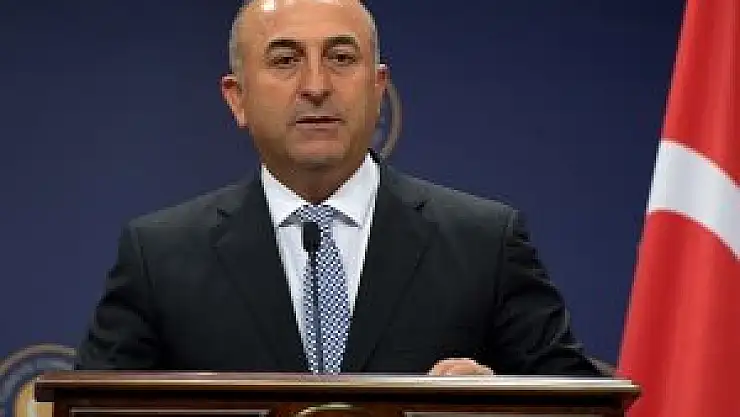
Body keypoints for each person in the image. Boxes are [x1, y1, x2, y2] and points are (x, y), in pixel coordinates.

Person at [74, 0, 604, 377]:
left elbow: (578, 403)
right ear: (237, 99)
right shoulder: (159, 255)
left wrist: (497, 404)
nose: (316, 86)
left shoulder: (485, 243)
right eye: (285, 60)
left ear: (378, 87)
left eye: (342, 58)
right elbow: (91, 407)